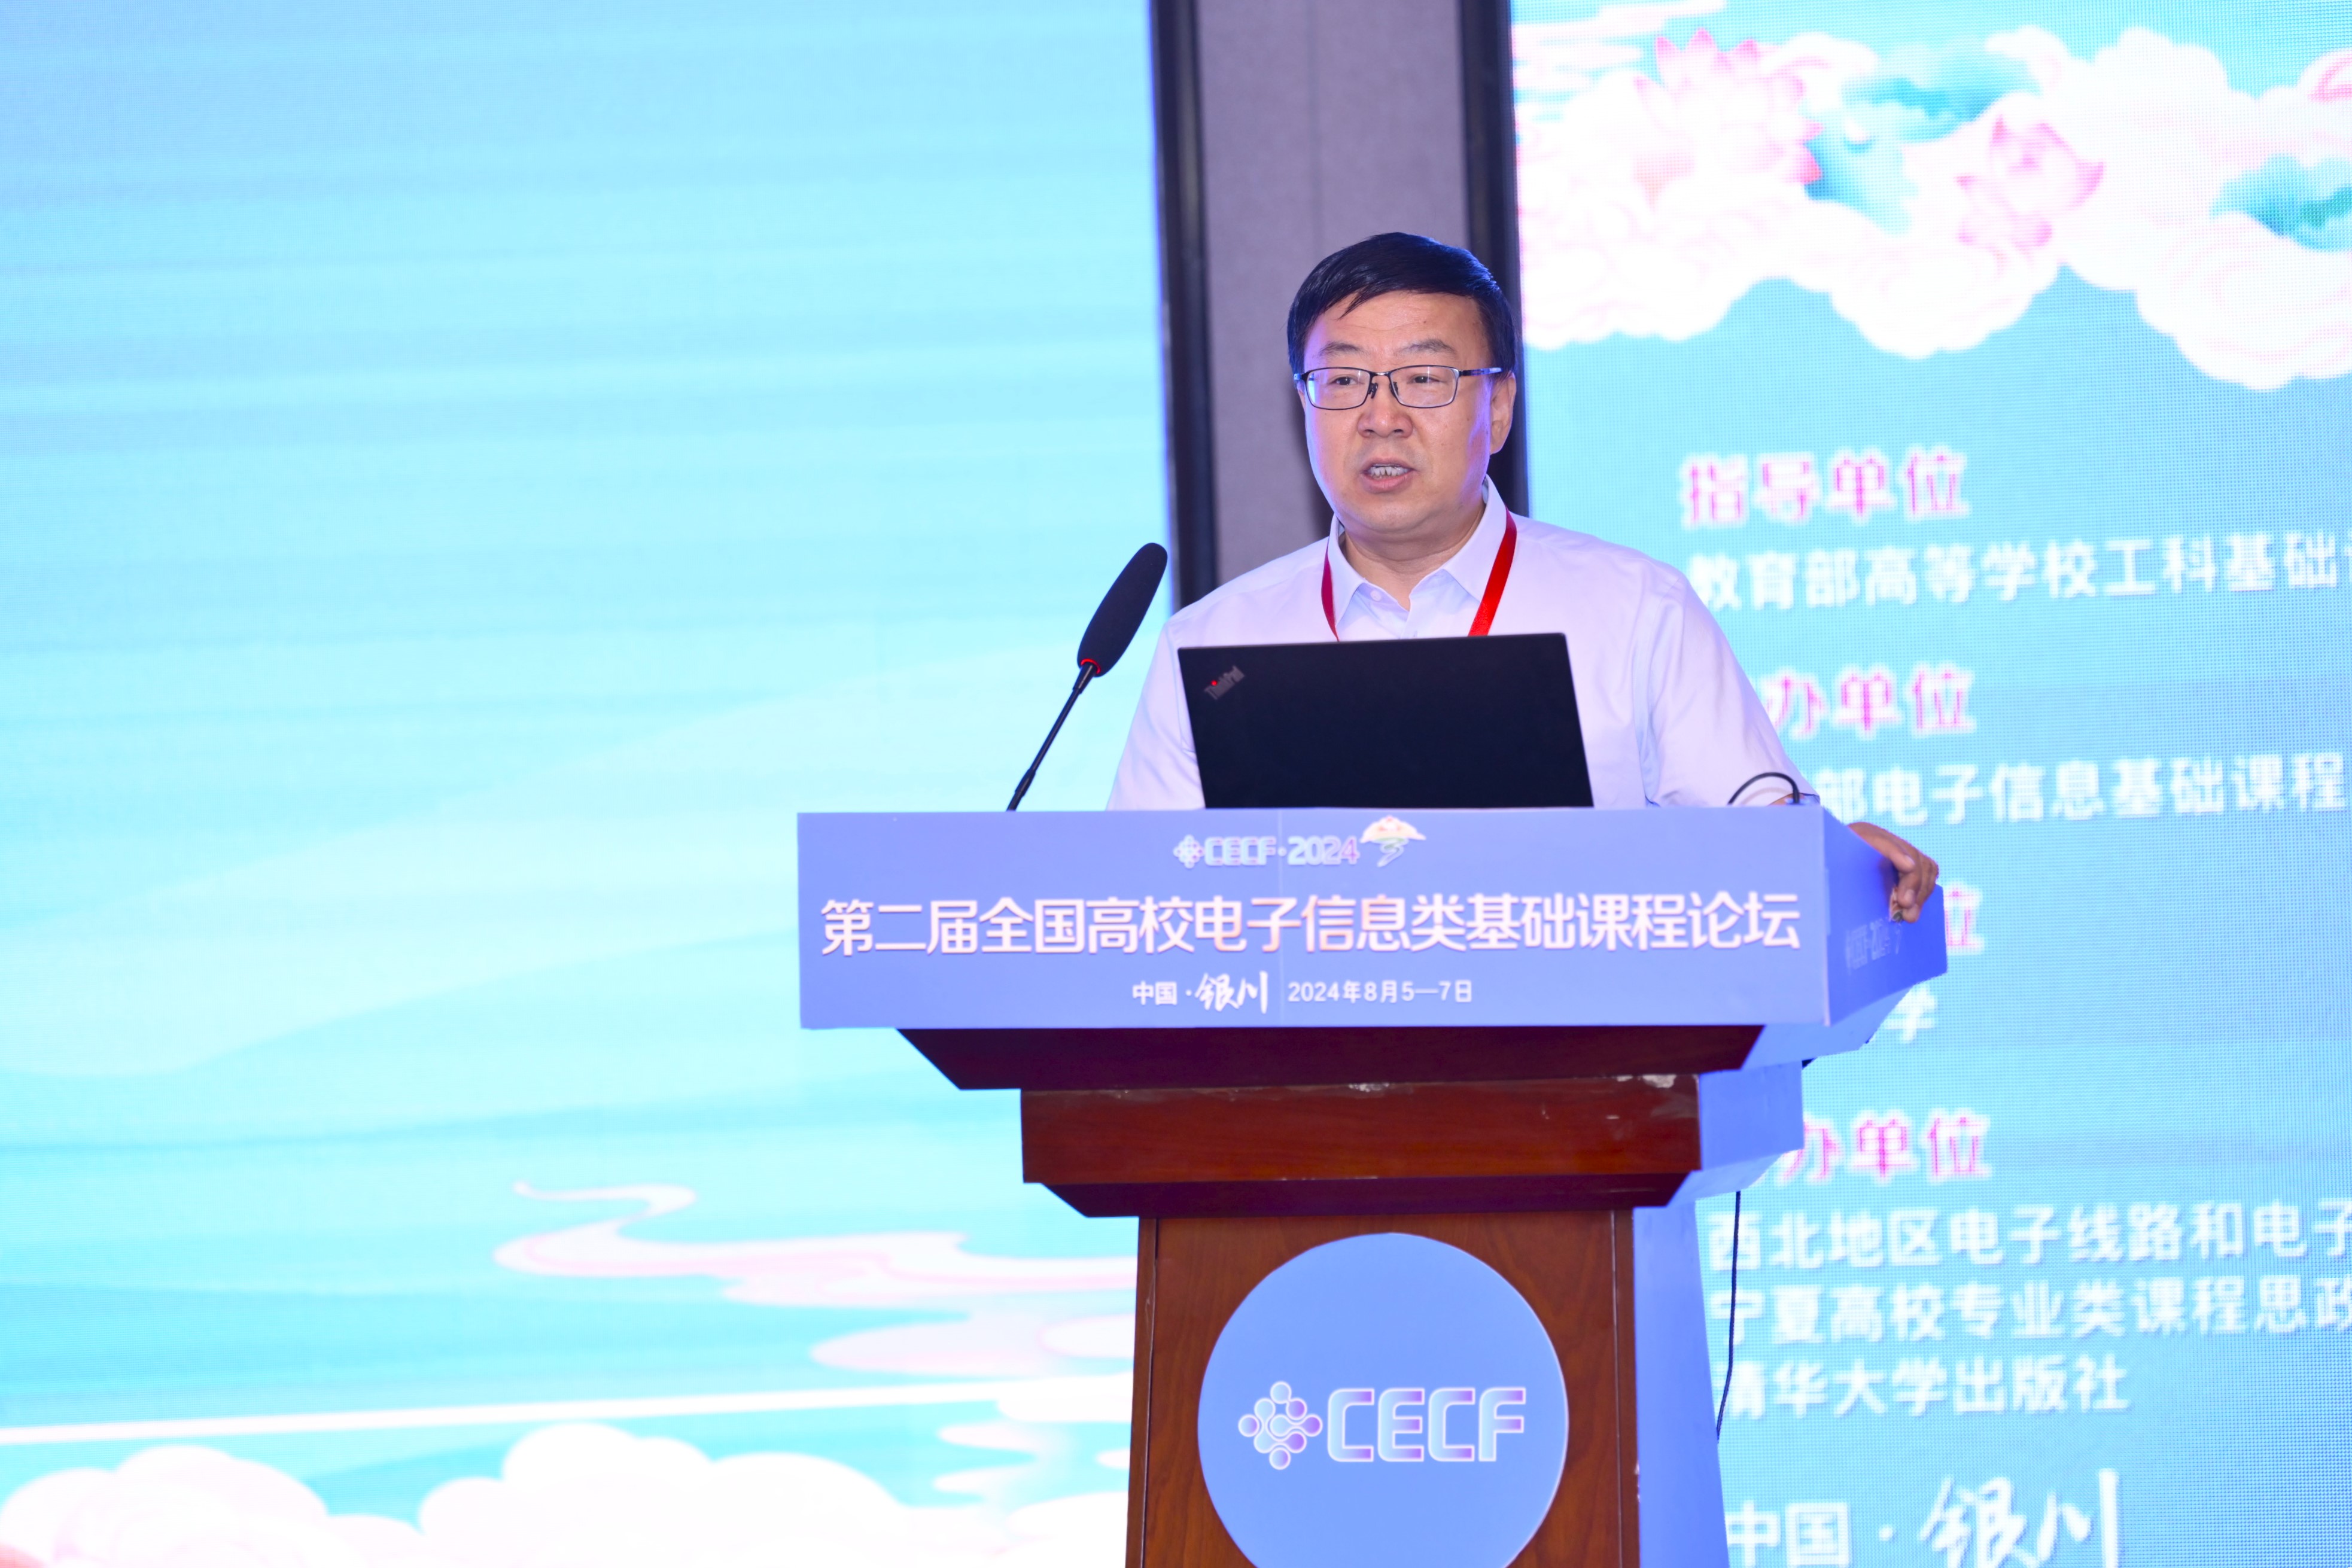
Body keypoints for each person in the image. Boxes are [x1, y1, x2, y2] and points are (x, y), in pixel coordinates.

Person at [1109, 232, 1939, 922]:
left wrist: (1829, 864)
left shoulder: (1635, 609)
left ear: (1498, 407)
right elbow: (1143, 902)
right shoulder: (1213, 642)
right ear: (1305, 403)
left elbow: (1759, 844)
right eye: (1344, 380)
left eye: (1424, 379)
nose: (1381, 417)